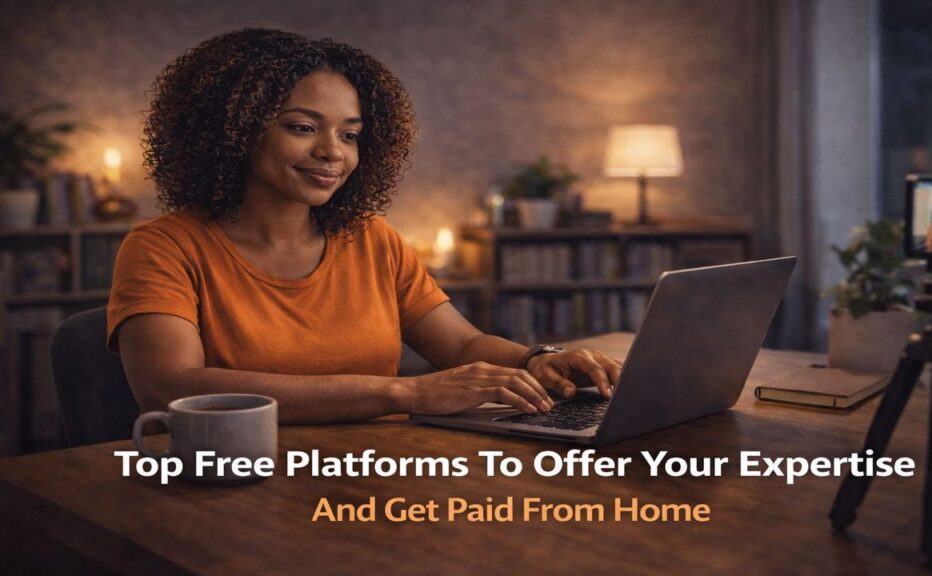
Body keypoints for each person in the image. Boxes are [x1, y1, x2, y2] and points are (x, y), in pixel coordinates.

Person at [107, 28, 623, 424]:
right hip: (236, 482)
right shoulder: (163, 247)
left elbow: (462, 347)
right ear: (234, 132)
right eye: (303, 127)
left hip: (371, 472)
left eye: (350, 134)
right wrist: (403, 392)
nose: (333, 152)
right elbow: (171, 387)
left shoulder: (370, 237)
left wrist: (537, 359)